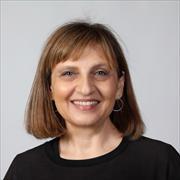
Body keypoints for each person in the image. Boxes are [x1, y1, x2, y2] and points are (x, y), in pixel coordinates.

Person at [4, 21, 180, 180]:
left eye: (100, 73)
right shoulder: (25, 170)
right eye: (69, 73)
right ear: (49, 88)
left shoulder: (160, 161)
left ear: (119, 85)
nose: (86, 88)